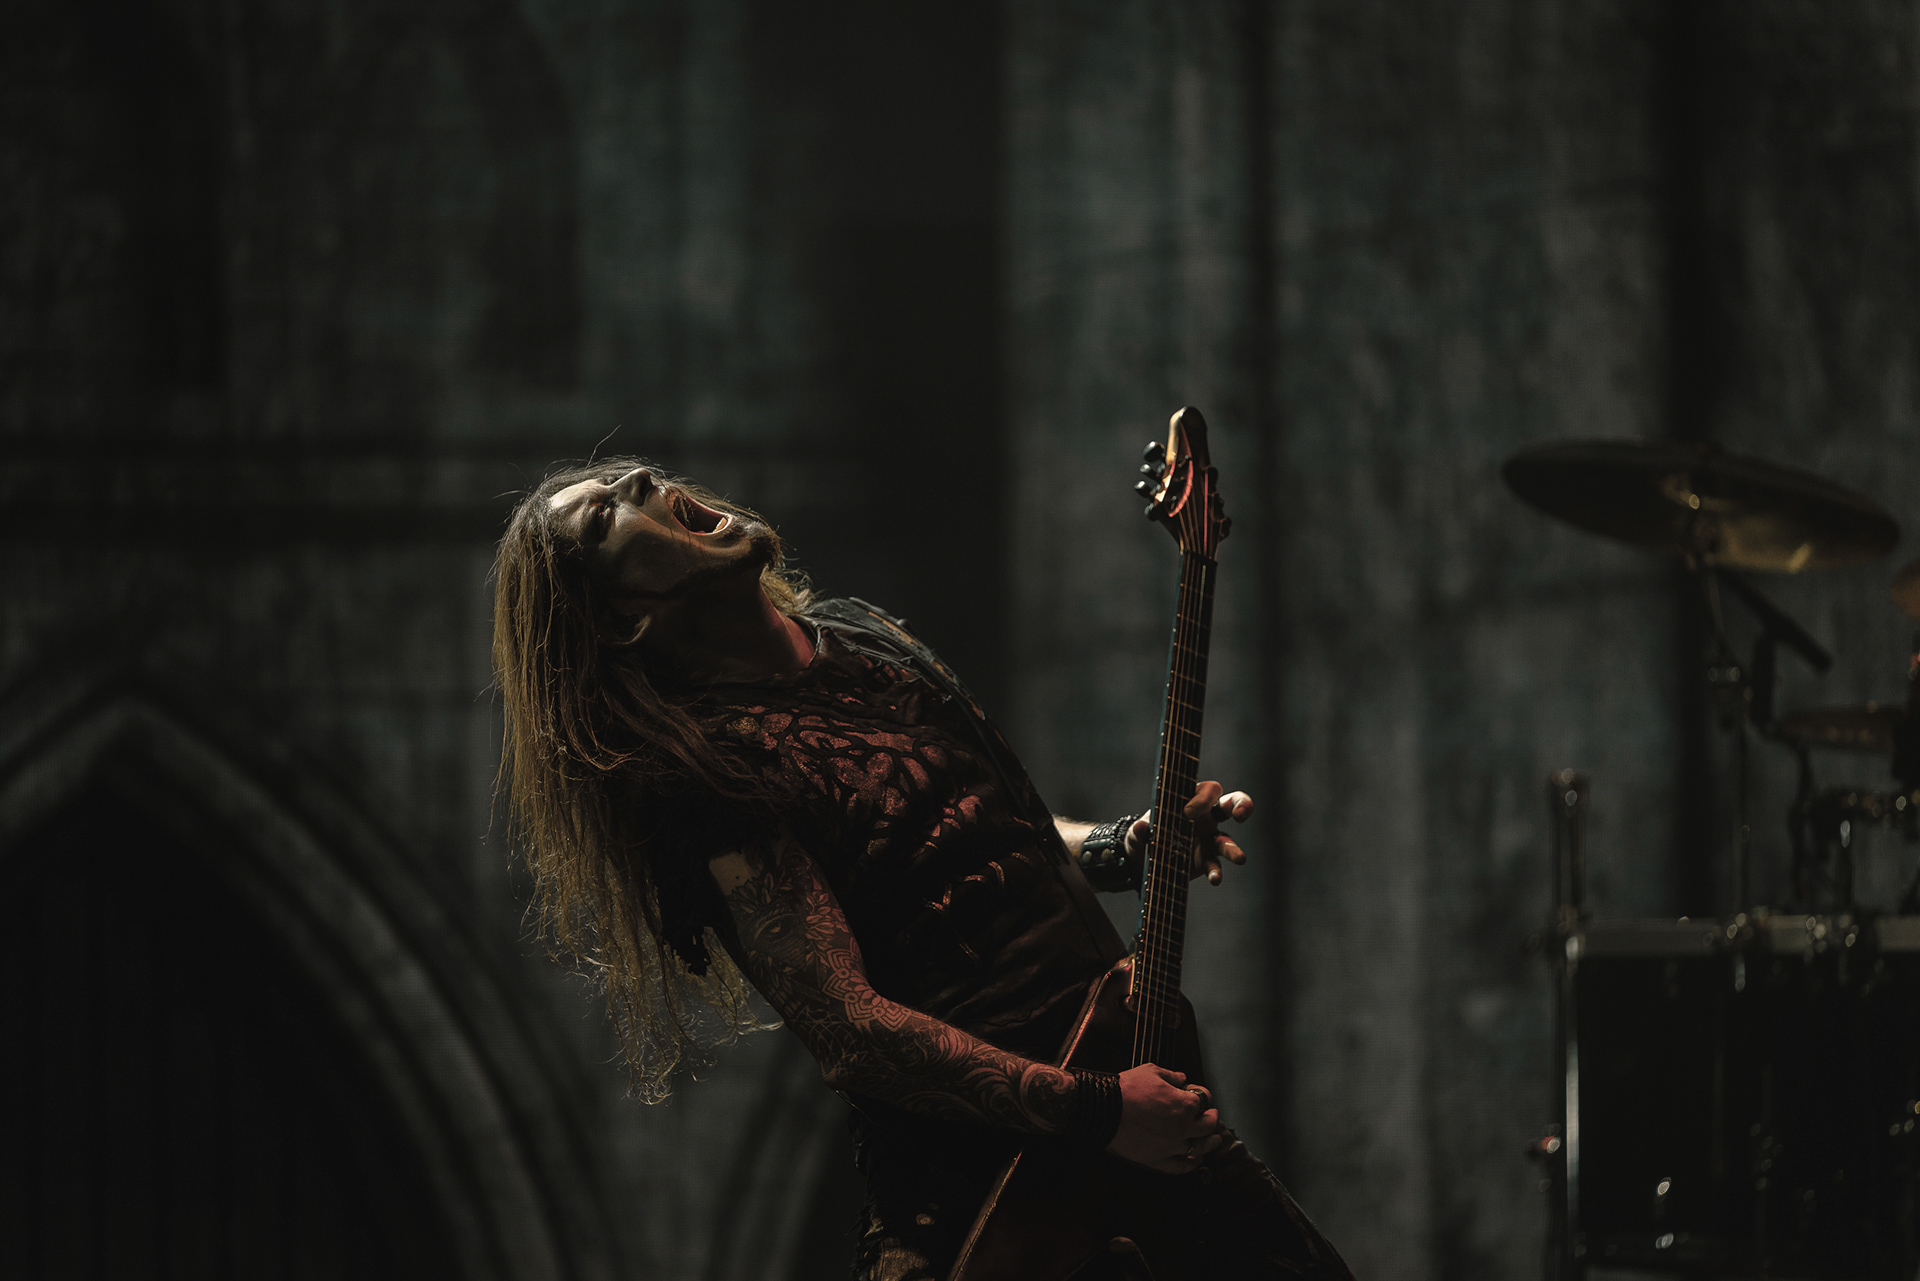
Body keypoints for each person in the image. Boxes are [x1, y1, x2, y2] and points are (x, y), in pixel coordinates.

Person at [492, 459, 1351, 1279]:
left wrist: (1128, 843)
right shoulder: (709, 779)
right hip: (985, 1199)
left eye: (628, 477)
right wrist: (1099, 1110)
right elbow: (851, 1031)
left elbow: (1001, 832)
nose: (642, 480)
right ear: (621, 620)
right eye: (605, 511)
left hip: (1128, 1104)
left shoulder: (864, 637)